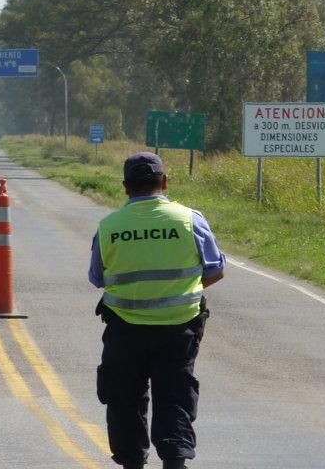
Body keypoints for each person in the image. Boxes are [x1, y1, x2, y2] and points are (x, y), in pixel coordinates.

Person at [89, 151, 226, 469]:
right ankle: (175, 462)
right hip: (179, 328)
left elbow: (97, 278)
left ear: (125, 187)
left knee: (125, 399)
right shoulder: (190, 220)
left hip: (125, 329)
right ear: (164, 182)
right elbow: (216, 268)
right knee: (174, 397)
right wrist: (178, 291)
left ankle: (132, 463)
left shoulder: (110, 226)